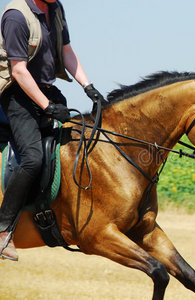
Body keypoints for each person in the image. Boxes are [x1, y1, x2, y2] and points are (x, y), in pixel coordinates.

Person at [0, 0, 105, 261]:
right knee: (33, 158)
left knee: (74, 144)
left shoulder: (55, 8)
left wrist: (87, 86)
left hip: (46, 90)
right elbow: (19, 71)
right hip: (16, 95)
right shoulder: (16, 16)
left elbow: (66, 51)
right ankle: (2, 230)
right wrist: (47, 107)